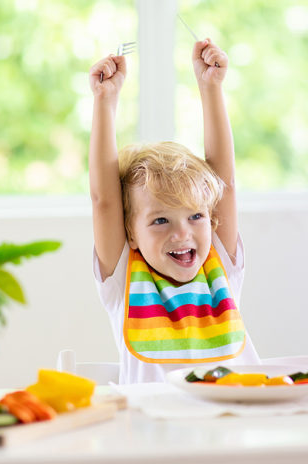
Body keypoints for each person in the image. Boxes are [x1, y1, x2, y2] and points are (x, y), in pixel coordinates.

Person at [88, 38, 260, 383]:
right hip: (153, 434)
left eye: (195, 216)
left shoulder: (220, 266)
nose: (182, 233)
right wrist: (105, 102)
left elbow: (225, 182)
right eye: (160, 220)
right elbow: (104, 200)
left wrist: (211, 87)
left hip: (234, 426)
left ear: (211, 219)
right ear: (130, 232)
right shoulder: (124, 279)